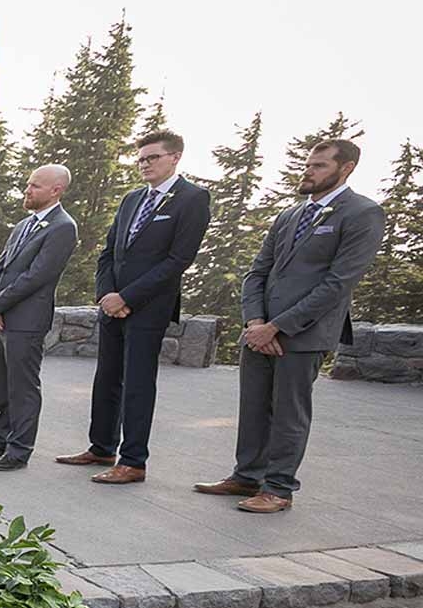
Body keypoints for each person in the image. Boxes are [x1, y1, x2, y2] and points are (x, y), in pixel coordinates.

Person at [195, 139, 385, 513]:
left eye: (318, 166)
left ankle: (279, 487)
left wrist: (279, 327)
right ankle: (247, 475)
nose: (308, 171)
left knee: (288, 411)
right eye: (308, 164)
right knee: (253, 406)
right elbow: (258, 272)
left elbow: (338, 283)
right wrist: (256, 322)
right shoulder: (290, 215)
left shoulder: (363, 213)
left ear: (345, 168)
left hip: (304, 334)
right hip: (260, 330)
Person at [58, 129, 211, 484]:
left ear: (175, 158)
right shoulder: (131, 199)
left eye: (152, 157)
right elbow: (109, 252)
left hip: (149, 307)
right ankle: (101, 447)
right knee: (107, 377)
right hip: (112, 305)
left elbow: (178, 260)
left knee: (138, 384)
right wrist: (106, 295)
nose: (144, 164)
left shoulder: (192, 199)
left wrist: (128, 298)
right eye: (141, 158)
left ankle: (133, 461)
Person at [0, 165, 77, 470]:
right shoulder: (24, 225)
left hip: (27, 320)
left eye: (35, 186)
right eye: (28, 184)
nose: (27, 190)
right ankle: (1, 436)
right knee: (4, 383)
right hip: (1, 317)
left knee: (23, 386)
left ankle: (20, 449)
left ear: (56, 190)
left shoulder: (63, 227)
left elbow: (37, 276)